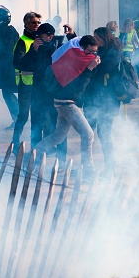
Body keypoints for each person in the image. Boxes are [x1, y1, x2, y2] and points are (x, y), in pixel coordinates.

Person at [33, 35, 101, 179]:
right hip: (67, 103)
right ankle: (89, 173)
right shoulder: (77, 61)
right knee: (88, 134)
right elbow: (77, 90)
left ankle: (32, 154)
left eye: (95, 52)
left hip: (66, 102)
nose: (93, 55)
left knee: (58, 136)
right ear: (82, 49)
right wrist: (89, 69)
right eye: (90, 52)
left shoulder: (79, 56)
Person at [20, 22, 76, 164]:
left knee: (58, 129)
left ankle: (61, 159)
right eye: (43, 35)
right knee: (36, 127)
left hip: (55, 93)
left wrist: (71, 35)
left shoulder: (58, 46)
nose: (47, 38)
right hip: (38, 94)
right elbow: (21, 64)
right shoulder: (35, 48)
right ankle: (36, 157)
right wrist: (33, 50)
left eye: (48, 35)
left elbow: (77, 51)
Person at [83, 27, 124, 176]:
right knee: (87, 133)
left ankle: (110, 166)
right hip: (92, 98)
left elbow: (104, 68)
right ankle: (87, 166)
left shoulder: (113, 52)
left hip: (108, 101)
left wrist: (94, 60)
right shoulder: (97, 50)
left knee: (104, 133)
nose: (95, 41)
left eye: (97, 38)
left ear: (105, 38)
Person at [12, 12, 41, 152]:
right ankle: (15, 144)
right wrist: (33, 50)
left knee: (37, 117)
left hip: (38, 86)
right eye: (33, 22)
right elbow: (17, 63)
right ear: (26, 24)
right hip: (26, 85)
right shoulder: (22, 41)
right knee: (23, 116)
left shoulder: (41, 39)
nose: (36, 25)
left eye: (38, 22)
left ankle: (35, 147)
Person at [0, 5, 20, 130]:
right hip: (8, 68)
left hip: (8, 69)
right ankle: (18, 117)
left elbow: (4, 50)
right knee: (8, 92)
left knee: (8, 92)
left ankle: (18, 118)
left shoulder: (4, 33)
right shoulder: (10, 31)